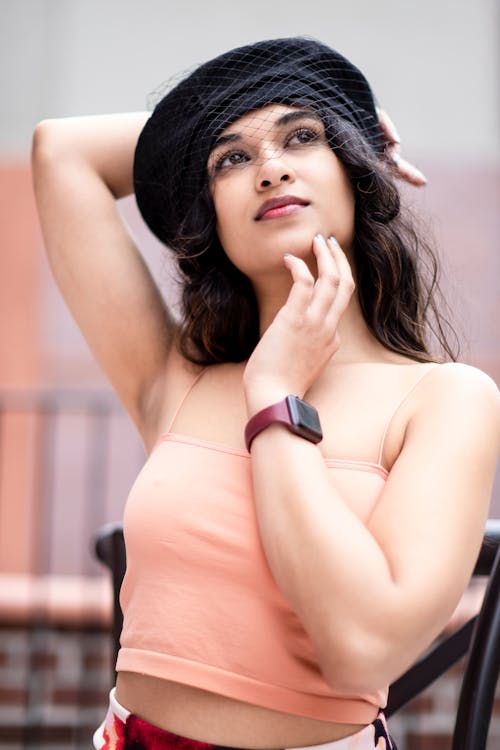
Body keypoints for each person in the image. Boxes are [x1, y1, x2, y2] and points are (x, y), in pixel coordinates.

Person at [31, 37, 499, 750]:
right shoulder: (177, 375)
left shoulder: (446, 400)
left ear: (357, 174)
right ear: (209, 212)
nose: (271, 167)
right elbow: (60, 151)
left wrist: (276, 396)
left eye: (303, 138)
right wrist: (349, 118)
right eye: (231, 159)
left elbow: (362, 650)